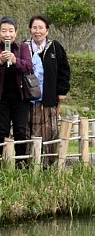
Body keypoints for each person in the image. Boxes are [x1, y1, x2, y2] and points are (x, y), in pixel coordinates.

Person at [0, 16, 33, 166]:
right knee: (2, 131)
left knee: (20, 131)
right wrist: (0, 62)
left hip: (20, 97)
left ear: (16, 33)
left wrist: (15, 60)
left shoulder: (23, 48)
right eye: (4, 31)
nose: (7, 34)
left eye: (11, 31)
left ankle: (21, 165)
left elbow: (29, 67)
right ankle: (2, 164)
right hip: (1, 98)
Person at [25, 14, 71, 166]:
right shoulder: (24, 47)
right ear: (30, 29)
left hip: (48, 98)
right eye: (34, 27)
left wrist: (62, 91)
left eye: (41, 28)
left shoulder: (55, 47)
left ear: (47, 30)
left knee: (49, 131)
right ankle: (29, 162)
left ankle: (48, 164)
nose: (37, 31)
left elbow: (64, 70)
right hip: (28, 98)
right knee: (28, 129)